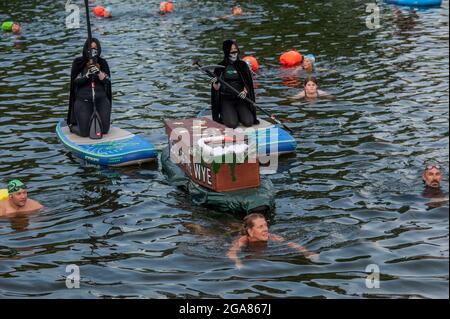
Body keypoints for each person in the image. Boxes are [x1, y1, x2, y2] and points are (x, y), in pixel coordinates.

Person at [227, 213, 318, 269]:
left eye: (266, 225)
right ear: (250, 231)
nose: (266, 229)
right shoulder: (242, 241)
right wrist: (237, 262)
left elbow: (291, 244)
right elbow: (231, 253)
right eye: (260, 227)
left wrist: (306, 252)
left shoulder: (272, 236)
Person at [67, 38, 112, 137]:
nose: (93, 50)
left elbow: (107, 81)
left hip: (101, 100)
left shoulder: (102, 63)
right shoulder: (78, 62)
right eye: (90, 48)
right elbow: (75, 82)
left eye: (95, 48)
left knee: (104, 131)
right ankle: (72, 126)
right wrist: (87, 75)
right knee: (84, 133)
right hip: (84, 101)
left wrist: (99, 73)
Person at [211, 40, 259, 129]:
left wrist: (245, 92)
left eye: (235, 49)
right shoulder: (220, 66)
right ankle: (226, 113)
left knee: (248, 122)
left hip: (240, 98)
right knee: (232, 124)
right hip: (226, 99)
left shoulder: (242, 65)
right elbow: (216, 89)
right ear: (226, 51)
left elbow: (248, 83)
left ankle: (238, 113)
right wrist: (215, 83)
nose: (234, 52)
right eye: (231, 49)